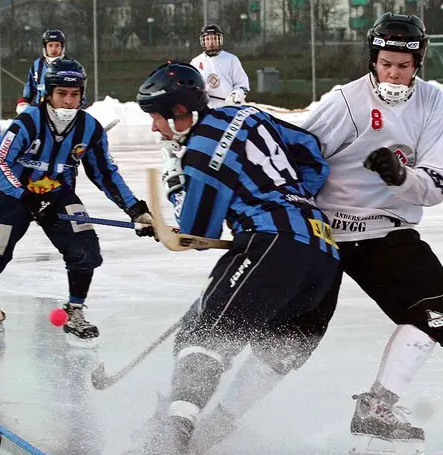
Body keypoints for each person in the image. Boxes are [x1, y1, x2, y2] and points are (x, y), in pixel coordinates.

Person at [200, 13, 443, 455]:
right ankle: (212, 425)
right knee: (288, 344)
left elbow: (436, 184)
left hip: (385, 233)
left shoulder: (433, 103)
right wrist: (267, 217)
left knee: (437, 308)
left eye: (403, 65)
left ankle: (376, 405)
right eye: (385, 63)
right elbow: (287, 156)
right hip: (323, 234)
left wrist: (401, 177)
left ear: (419, 64)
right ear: (372, 60)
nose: (393, 73)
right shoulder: (345, 103)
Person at [129, 61, 339, 454]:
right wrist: (290, 197)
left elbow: (195, 234)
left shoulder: (200, 153)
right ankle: (212, 434)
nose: (154, 128)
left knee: (202, 334)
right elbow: (313, 155)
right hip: (324, 253)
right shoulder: (248, 112)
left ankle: (171, 441)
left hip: (275, 245)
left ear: (179, 112)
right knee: (276, 353)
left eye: (156, 118)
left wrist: (176, 194)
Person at [0, 57, 155, 354]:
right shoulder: (28, 121)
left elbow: (106, 173)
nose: (68, 102)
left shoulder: (89, 129)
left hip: (56, 195)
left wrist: (136, 209)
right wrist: (26, 197)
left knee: (85, 248)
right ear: (48, 94)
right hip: (11, 195)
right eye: (61, 94)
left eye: (75, 95)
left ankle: (75, 312)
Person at [190, 24, 249, 109]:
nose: (211, 42)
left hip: (230, 109)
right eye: (207, 39)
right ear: (202, 41)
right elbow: (191, 87)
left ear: (220, 40)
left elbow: (243, 84)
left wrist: (236, 95)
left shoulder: (231, 59)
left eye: (214, 38)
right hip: (206, 111)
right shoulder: (195, 62)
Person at [16, 29, 66, 114]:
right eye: (50, 45)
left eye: (57, 45)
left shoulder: (70, 65)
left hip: (61, 109)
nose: (54, 49)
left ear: (62, 47)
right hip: (40, 107)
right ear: (45, 47)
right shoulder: (37, 64)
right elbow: (31, 84)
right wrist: (24, 100)